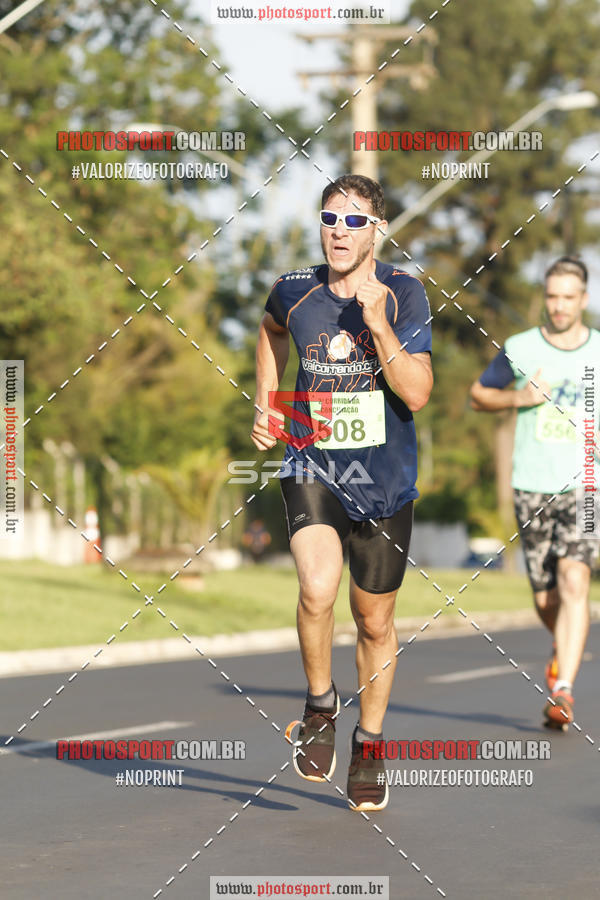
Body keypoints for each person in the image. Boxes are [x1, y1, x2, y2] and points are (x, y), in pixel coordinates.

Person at [251, 174, 433, 810]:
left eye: (355, 221)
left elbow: (415, 393)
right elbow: (271, 331)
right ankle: (321, 705)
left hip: (385, 485)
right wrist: (269, 402)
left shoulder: (405, 295)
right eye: (330, 218)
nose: (339, 231)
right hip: (314, 466)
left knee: (374, 621)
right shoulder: (294, 292)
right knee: (316, 588)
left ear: (376, 230)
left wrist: (379, 328)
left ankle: (371, 743)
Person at [470, 256, 600, 729]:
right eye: (552, 296)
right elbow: (478, 394)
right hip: (531, 484)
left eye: (569, 297)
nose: (559, 306)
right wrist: (518, 398)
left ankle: (562, 688)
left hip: (587, 483)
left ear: (583, 299)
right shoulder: (521, 348)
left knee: (575, 581)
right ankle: (562, 647)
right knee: (548, 598)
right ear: (544, 298)